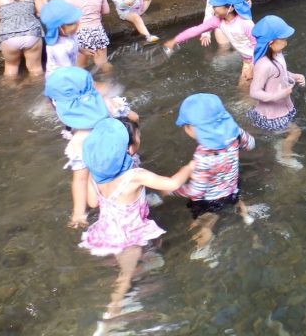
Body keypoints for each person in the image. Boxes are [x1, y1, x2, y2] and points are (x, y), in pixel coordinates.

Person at [80, 117, 193, 319]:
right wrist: (190, 167)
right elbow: (172, 184)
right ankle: (111, 315)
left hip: (107, 229)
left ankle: (128, 290)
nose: (140, 136)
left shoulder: (95, 172)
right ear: (129, 149)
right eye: (138, 136)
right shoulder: (135, 175)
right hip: (129, 236)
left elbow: (92, 203)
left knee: (132, 261)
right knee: (126, 275)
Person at [172, 93, 256, 260]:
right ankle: (247, 216)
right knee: (236, 199)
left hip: (210, 200)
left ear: (191, 128)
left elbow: (196, 191)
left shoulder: (203, 156)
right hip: (232, 187)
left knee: (205, 225)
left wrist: (174, 190)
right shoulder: (235, 133)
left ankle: (205, 251)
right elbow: (251, 144)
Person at [45, 67, 111, 227]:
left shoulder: (78, 141)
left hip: (96, 176)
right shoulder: (109, 107)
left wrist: (78, 214)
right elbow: (133, 117)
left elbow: (79, 180)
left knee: (92, 198)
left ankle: (82, 212)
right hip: (118, 173)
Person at [164, 0, 255, 82]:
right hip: (247, 60)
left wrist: (252, 67)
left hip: (260, 59)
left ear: (230, 7)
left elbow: (260, 46)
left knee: (251, 90)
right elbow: (196, 30)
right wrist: (175, 41)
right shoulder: (218, 20)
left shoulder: (245, 24)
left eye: (216, 5)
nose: (213, 8)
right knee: (244, 89)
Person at [247, 15, 305, 168]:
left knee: (258, 131)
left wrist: (296, 76)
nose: (286, 42)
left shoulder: (278, 55)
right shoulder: (263, 65)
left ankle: (271, 143)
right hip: (272, 114)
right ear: (271, 43)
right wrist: (278, 95)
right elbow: (254, 92)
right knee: (295, 132)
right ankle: (284, 154)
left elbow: (283, 73)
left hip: (282, 107)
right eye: (283, 39)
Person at [63, 0, 111, 71]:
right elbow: (106, 11)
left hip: (80, 33)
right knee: (103, 63)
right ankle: (110, 82)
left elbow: (64, 17)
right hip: (98, 31)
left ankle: (85, 85)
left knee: (80, 67)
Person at [40, 0, 83, 77]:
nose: (77, 24)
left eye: (76, 21)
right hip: (58, 82)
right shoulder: (57, 47)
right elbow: (69, 71)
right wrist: (94, 84)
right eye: (72, 23)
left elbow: (74, 44)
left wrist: (82, 50)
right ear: (60, 27)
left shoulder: (71, 34)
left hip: (68, 73)